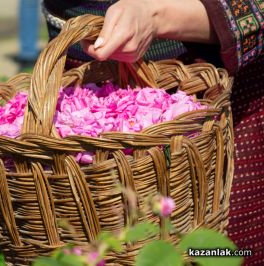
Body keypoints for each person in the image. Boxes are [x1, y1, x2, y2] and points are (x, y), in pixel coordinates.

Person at [43, 0, 264, 265]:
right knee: (105, 246)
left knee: (220, 249)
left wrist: (157, 16)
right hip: (85, 96)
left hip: (214, 97)